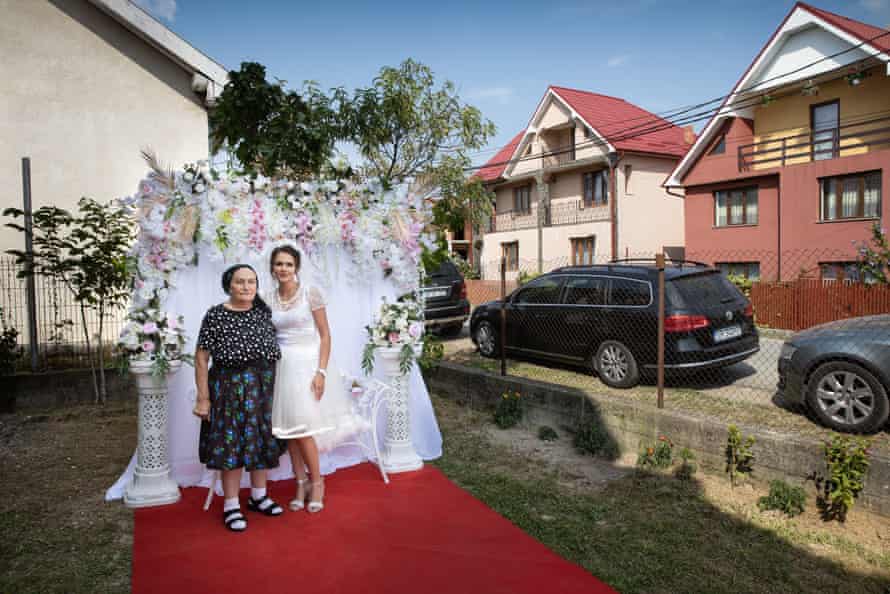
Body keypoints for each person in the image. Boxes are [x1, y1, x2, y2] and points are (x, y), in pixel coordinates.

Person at [267, 245, 359, 513]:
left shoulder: (311, 293)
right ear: (272, 268)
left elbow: (325, 335)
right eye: (279, 264)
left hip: (307, 366)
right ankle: (300, 482)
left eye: (288, 264)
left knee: (304, 430)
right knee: (290, 432)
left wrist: (321, 372)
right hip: (281, 368)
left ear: (296, 267)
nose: (283, 269)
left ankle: (318, 483)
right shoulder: (267, 298)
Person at [193, 264, 285, 532]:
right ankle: (231, 504)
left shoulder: (263, 313)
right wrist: (203, 398)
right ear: (228, 285)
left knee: (260, 441)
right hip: (227, 389)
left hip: (261, 389)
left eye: (252, 282)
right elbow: (201, 359)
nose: (247, 287)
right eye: (240, 282)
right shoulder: (216, 315)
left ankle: (259, 496)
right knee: (229, 446)